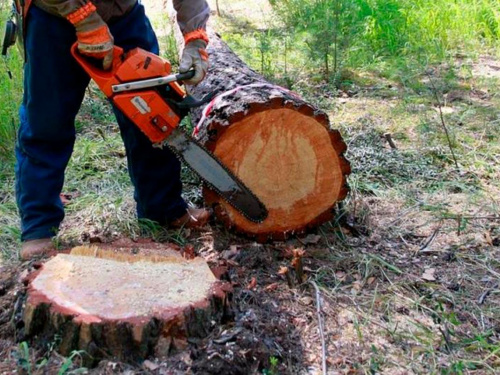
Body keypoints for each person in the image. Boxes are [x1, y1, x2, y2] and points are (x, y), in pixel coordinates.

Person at [16, 0, 211, 260]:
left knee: (153, 115)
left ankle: (163, 208)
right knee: (47, 123)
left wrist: (195, 37)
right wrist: (83, 18)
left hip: (123, 15)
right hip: (53, 17)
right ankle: (38, 226)